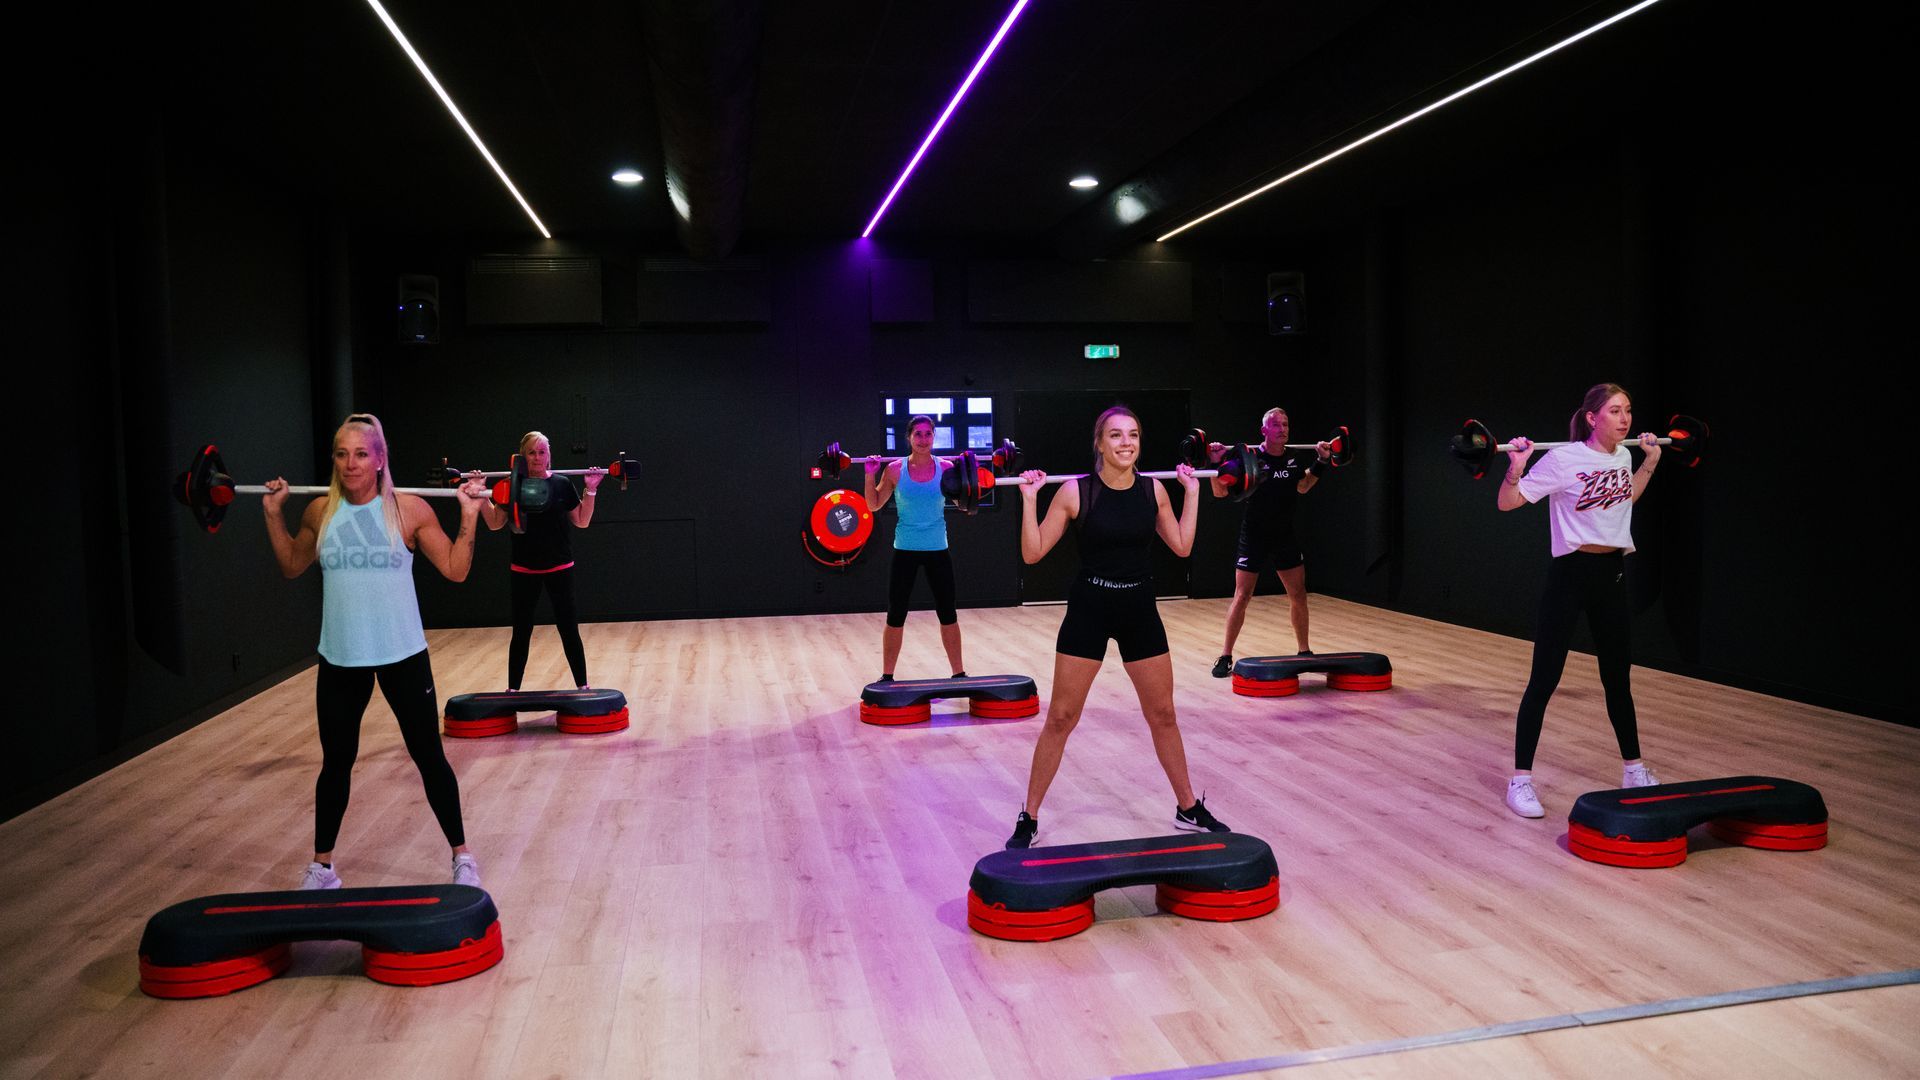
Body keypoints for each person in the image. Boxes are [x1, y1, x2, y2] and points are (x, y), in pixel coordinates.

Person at [261, 413, 489, 889]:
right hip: (341, 659)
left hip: (403, 655)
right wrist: (272, 515)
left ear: (381, 459)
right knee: (336, 763)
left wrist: (469, 519)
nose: (350, 464)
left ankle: (462, 857)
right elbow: (290, 565)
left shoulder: (408, 511)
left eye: (361, 453)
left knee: (429, 756)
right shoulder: (319, 512)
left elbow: (455, 570)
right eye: (342, 454)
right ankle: (322, 867)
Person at [1005, 404, 1224, 849]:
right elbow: (1032, 554)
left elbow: (1181, 547)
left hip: (1139, 607)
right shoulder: (1074, 492)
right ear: (1100, 444)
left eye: (1133, 435)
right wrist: (1029, 501)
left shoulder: (1154, 492)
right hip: (1090, 606)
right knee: (1061, 716)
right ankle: (1029, 816)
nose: (1126, 443)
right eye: (1116, 435)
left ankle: (1187, 806)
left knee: (1163, 714)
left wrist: (1193, 494)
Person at [1497, 383, 1664, 818]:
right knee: (1544, 681)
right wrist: (1516, 467)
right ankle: (1520, 782)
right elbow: (1508, 503)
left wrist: (1650, 463)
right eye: (1614, 411)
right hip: (1570, 577)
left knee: (1618, 680)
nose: (1625, 419)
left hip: (1611, 576)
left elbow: (1623, 500)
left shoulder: (1624, 455)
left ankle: (1633, 769)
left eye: (1628, 410)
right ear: (1593, 418)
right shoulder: (1562, 459)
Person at [1206, 407, 1334, 676]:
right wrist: (1216, 462)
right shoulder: (1247, 459)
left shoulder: (1294, 458)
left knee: (1298, 594)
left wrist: (1321, 461)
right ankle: (1225, 655)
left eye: (1286, 424)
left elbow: (1303, 486)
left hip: (1284, 534)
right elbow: (1219, 492)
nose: (1283, 429)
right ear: (1264, 430)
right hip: (1253, 535)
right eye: (1276, 425)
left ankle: (1304, 651)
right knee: (1242, 595)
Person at [480, 431, 603, 691]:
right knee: (521, 633)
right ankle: (512, 690)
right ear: (523, 456)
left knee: (569, 630)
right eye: (532, 452)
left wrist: (590, 489)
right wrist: (481, 495)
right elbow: (494, 523)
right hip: (524, 569)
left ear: (549, 456)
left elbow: (582, 520)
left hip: (560, 568)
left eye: (542, 452)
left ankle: (583, 687)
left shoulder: (561, 484)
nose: (537, 457)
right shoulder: (512, 485)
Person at [864, 415, 966, 682]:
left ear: (934, 437)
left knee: (948, 613)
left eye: (928, 434)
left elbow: (965, 506)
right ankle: (887, 676)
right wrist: (869, 473)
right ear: (908, 438)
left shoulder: (946, 468)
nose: (923, 439)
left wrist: (972, 479)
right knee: (896, 614)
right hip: (905, 550)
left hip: (937, 550)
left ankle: (959, 673)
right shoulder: (895, 470)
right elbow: (873, 505)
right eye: (918, 434)